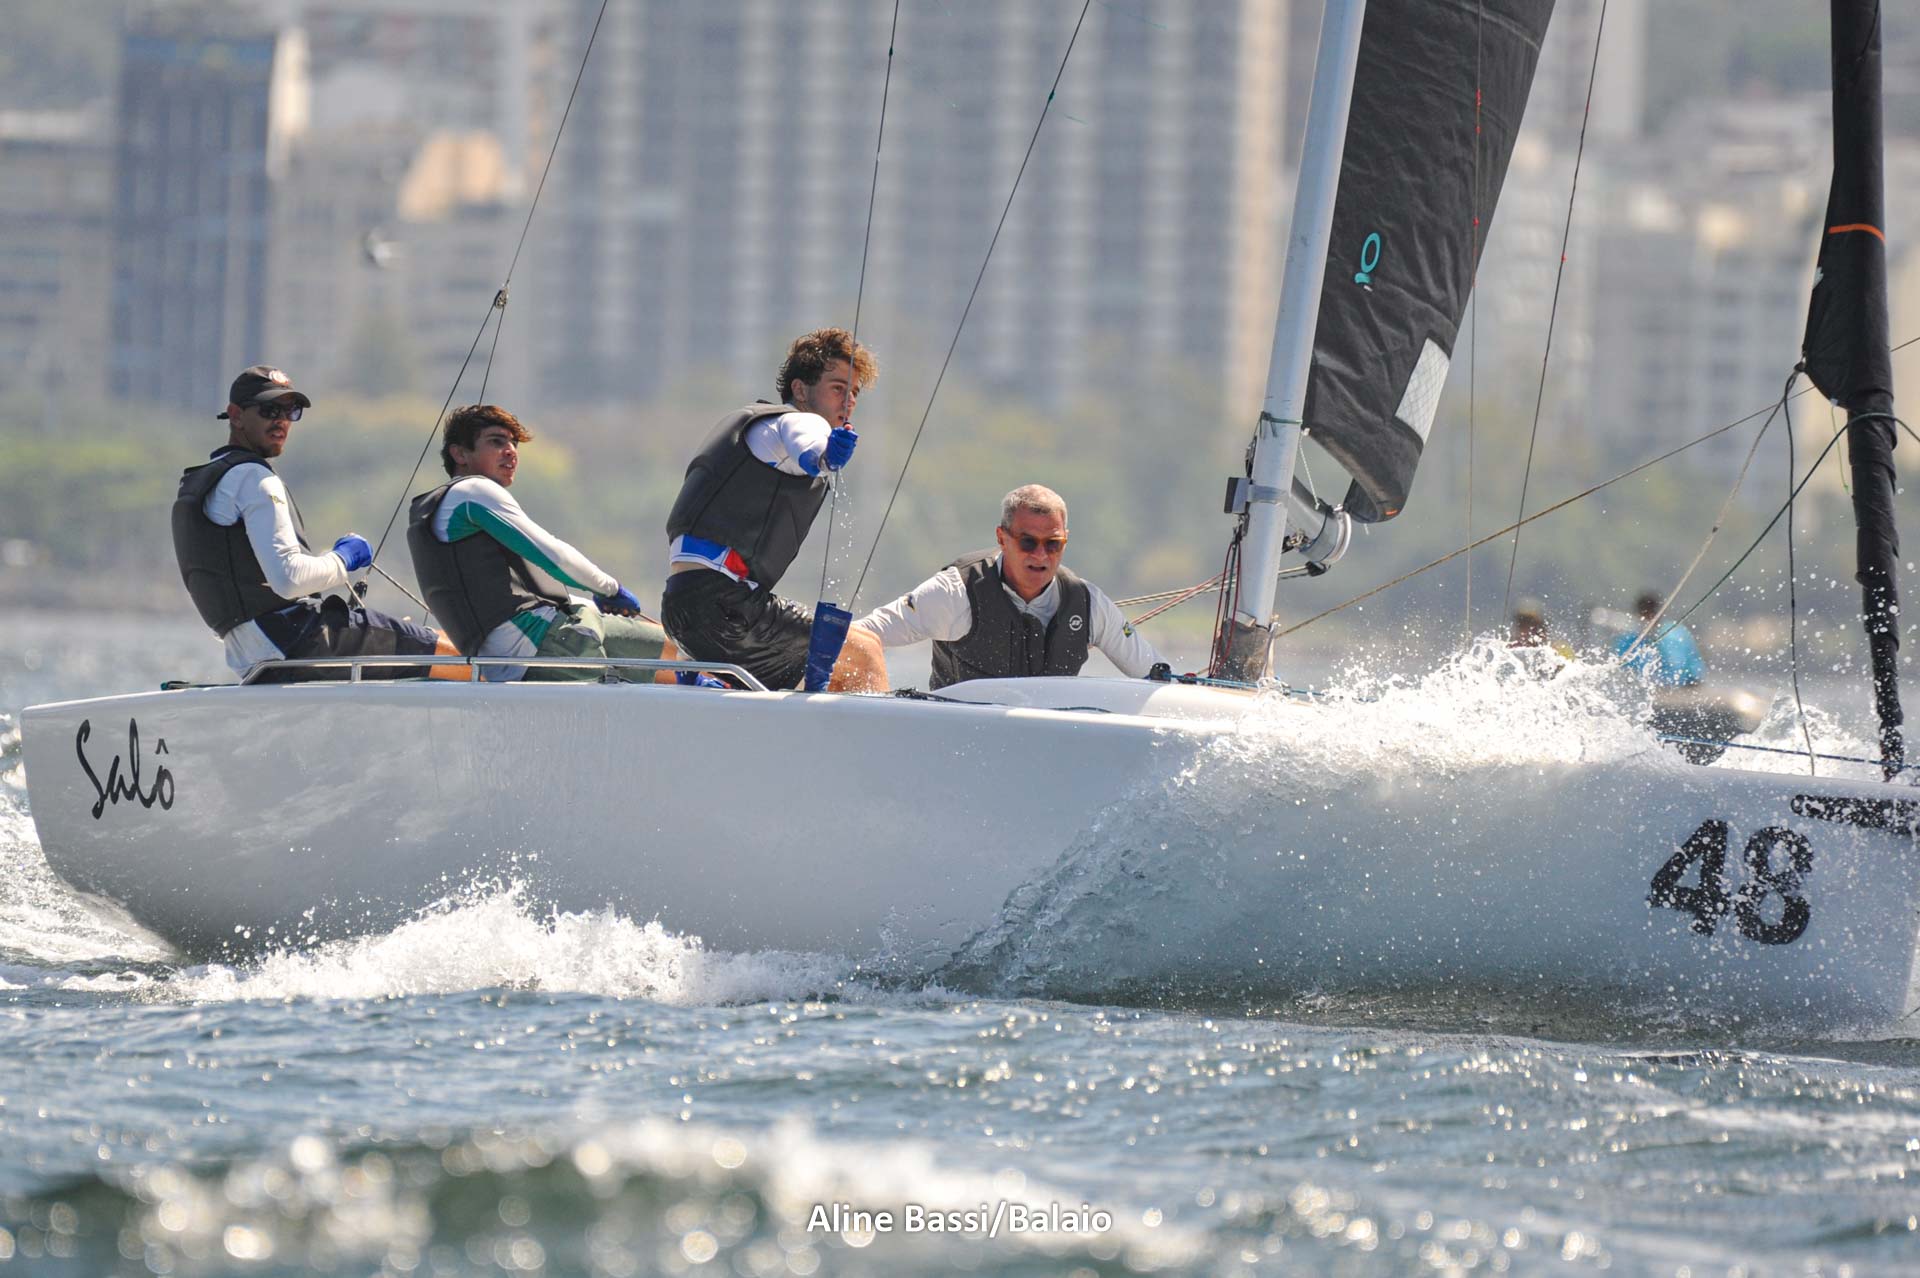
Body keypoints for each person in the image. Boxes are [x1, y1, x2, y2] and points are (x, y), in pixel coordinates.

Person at [172, 365, 446, 680]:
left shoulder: (211, 477)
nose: (281, 421)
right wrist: (344, 558)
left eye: (291, 411)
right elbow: (289, 578)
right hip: (295, 641)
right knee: (457, 654)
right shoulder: (253, 477)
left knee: (430, 641)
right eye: (269, 410)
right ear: (236, 415)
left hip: (251, 655)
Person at [661, 327, 888, 691]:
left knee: (838, 666)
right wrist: (824, 456)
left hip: (683, 609)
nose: (848, 402)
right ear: (800, 389)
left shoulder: (755, 429)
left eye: (854, 394)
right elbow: (807, 442)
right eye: (837, 388)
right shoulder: (795, 421)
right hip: (725, 609)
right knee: (864, 652)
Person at [407, 404, 683, 683]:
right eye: (496, 441)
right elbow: (555, 557)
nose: (510, 451)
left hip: (529, 648)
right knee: (679, 658)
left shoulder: (438, 509)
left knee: (676, 653)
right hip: (543, 644)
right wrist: (610, 589)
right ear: (459, 453)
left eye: (513, 444)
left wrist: (595, 602)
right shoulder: (472, 491)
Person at [855, 484, 1165, 688]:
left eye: (1053, 544)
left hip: (1045, 749)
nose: (1041, 555)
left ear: (1065, 541)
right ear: (1002, 538)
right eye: (1028, 542)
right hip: (957, 743)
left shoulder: (1089, 604)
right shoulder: (954, 593)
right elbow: (861, 635)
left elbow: (1156, 676)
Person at [1612, 590, 1705, 686]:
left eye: (1651, 612)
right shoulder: (1628, 640)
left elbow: (1695, 666)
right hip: (1643, 689)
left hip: (1680, 689)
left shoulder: (1675, 633)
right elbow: (1621, 670)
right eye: (1644, 614)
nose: (1648, 617)